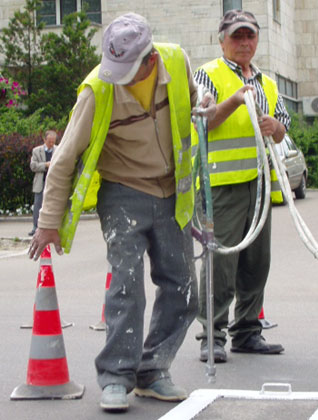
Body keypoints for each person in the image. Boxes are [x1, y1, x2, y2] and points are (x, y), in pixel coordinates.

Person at [28, 13, 216, 413]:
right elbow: (62, 160)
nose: (117, 77)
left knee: (183, 288)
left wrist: (204, 100)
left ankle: (153, 371)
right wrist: (47, 224)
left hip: (172, 191)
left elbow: (193, 94)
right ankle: (115, 376)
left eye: (127, 71)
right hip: (122, 193)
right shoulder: (98, 89)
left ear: (150, 60)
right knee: (126, 286)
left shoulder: (176, 61)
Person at [193, 9, 291, 364]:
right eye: (237, 36)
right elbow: (202, 120)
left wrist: (273, 127)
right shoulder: (208, 74)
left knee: (256, 262)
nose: (244, 42)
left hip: (259, 185)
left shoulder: (267, 81)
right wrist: (234, 101)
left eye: (249, 36)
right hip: (222, 185)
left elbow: (283, 126)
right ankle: (212, 335)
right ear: (222, 40)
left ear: (257, 39)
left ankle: (248, 331)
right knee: (221, 263)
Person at [29, 130, 57, 236]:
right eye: (49, 141)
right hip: (40, 182)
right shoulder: (36, 151)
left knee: (53, 206)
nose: (51, 144)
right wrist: (45, 165)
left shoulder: (58, 150)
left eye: (53, 142)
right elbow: (33, 166)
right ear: (44, 140)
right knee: (38, 205)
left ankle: (52, 228)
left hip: (53, 183)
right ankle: (35, 227)